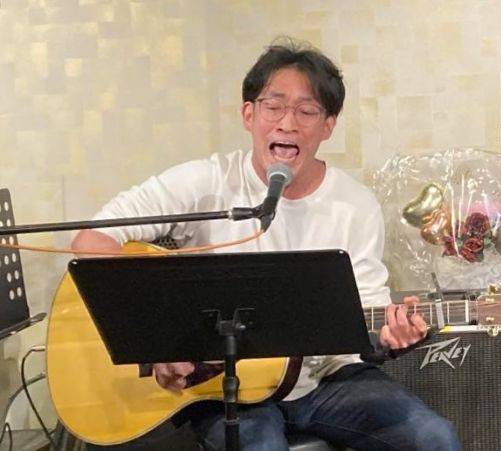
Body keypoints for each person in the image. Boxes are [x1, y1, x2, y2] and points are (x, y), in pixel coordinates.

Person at [73, 37, 462, 451]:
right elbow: (91, 240)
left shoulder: (355, 204)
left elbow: (366, 311)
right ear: (249, 114)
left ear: (328, 125)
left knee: (433, 439)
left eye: (306, 111)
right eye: (273, 106)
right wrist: (157, 342)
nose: (287, 123)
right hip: (223, 386)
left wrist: (391, 335)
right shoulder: (206, 182)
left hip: (326, 381)